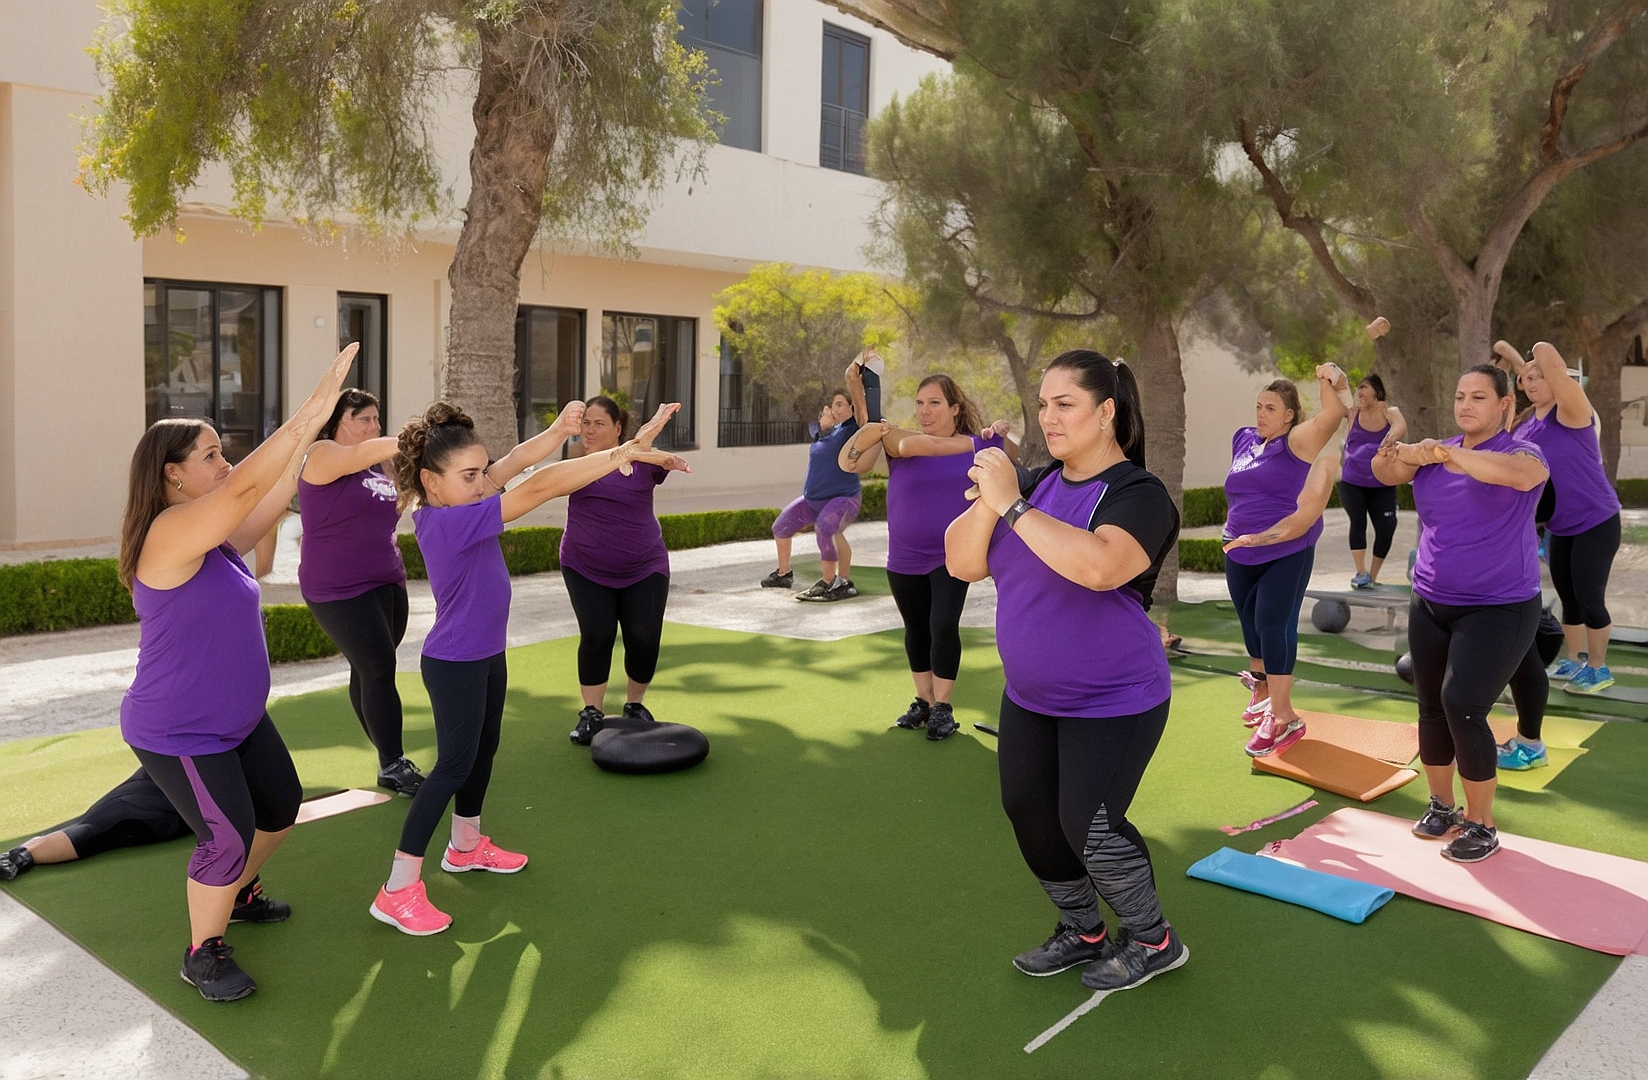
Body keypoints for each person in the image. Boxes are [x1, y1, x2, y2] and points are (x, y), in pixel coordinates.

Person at [371, 399, 685, 936]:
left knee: (483, 752)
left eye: (480, 472)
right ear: (430, 479)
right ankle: (397, 888)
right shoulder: (447, 522)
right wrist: (623, 452)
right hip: (455, 662)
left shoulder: (460, 499)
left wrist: (558, 432)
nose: (480, 482)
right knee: (451, 766)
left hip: (485, 654)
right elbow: (541, 486)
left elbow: (516, 463)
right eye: (469, 475)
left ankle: (466, 846)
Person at [117, 343, 359, 1001]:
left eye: (225, 453)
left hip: (239, 721)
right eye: (212, 457)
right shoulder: (167, 535)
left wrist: (309, 444)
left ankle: (239, 892)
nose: (225, 464)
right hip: (180, 729)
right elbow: (251, 483)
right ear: (171, 475)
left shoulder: (214, 542)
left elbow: (271, 494)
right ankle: (204, 953)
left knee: (279, 809)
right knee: (224, 837)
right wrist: (309, 410)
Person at [946, 350, 1186, 993]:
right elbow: (963, 563)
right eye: (1044, 404)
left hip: (1116, 697)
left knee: (1090, 823)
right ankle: (1082, 929)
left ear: (1106, 412)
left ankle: (1153, 938)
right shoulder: (1033, 485)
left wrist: (1014, 507)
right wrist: (994, 500)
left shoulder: (1139, 493)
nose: (1049, 417)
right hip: (1030, 695)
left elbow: (1101, 567)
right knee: (1029, 812)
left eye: (1066, 404)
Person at [1373, 365, 1548, 863]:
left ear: (1504, 405)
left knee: (1463, 704)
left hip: (1499, 607)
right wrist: (1400, 447)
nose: (1466, 404)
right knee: (1430, 703)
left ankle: (1483, 823)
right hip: (1429, 599)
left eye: (1478, 397)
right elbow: (1383, 473)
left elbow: (1519, 477)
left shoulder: (1522, 452)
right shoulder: (1435, 454)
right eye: (1460, 396)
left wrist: (1450, 453)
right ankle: (1443, 806)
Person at [839, 371, 1014, 740]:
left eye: (934, 403)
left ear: (954, 407)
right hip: (903, 557)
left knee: (943, 626)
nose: (925, 411)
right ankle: (923, 701)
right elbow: (893, 443)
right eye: (920, 403)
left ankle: (943, 707)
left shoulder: (981, 444)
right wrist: (858, 386)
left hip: (953, 556)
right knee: (916, 628)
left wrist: (999, 433)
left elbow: (1013, 459)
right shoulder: (898, 440)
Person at [301, 390, 440, 796]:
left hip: (386, 578)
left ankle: (387, 756)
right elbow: (384, 449)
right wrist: (419, 436)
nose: (373, 426)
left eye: (377, 419)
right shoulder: (323, 455)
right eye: (363, 418)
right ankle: (393, 763)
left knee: (368, 667)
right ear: (337, 422)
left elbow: (407, 499)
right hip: (337, 587)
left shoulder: (378, 468)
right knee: (378, 667)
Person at [1223, 363, 1350, 756]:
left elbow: (1332, 415)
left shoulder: (1296, 442)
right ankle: (1261, 688)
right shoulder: (1243, 439)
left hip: (1285, 550)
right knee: (1250, 625)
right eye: (1259, 406)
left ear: (1290, 415)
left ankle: (1283, 716)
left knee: (1272, 623)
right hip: (1238, 549)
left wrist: (1328, 379)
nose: (1261, 414)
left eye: (1271, 408)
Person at [1496, 339, 1623, 696]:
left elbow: (1547, 354)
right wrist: (1512, 365)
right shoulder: (1524, 426)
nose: (1534, 383)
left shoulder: (1572, 412)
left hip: (1597, 519)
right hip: (1561, 525)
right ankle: (1574, 658)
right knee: (1568, 595)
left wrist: (1523, 353)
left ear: (1557, 381)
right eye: (1528, 379)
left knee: (1589, 596)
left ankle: (1599, 668)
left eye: (1541, 377)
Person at [0, 768, 285, 921]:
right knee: (94, 831)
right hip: (147, 804)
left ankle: (24, 854)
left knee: (95, 829)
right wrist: (24, 855)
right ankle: (21, 856)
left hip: (175, 807)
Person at [560, 396, 679, 745]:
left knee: (643, 637)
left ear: (617, 428)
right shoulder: (577, 464)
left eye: (599, 423)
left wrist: (654, 443)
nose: (590, 430)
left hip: (645, 566)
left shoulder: (644, 462)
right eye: (586, 423)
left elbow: (654, 454)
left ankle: (634, 705)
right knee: (597, 635)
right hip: (584, 565)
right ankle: (592, 712)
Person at [761, 358, 872, 601]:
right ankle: (783, 574)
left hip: (843, 498)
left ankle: (831, 582)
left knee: (826, 529)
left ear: (852, 409)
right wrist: (825, 427)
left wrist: (856, 375)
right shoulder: (828, 434)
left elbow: (862, 405)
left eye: (842, 404)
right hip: (812, 500)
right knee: (780, 527)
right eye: (835, 405)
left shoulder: (853, 428)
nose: (837, 409)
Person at [1339, 322, 1406, 588]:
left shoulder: (1390, 412)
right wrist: (1367, 337)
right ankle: (1360, 573)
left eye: (1364, 388)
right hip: (1353, 483)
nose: (1360, 392)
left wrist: (1387, 442)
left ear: (1376, 391)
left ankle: (1373, 577)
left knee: (1387, 528)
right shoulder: (1353, 413)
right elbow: (1339, 385)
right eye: (1359, 389)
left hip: (1383, 483)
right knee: (1357, 523)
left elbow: (1401, 426)